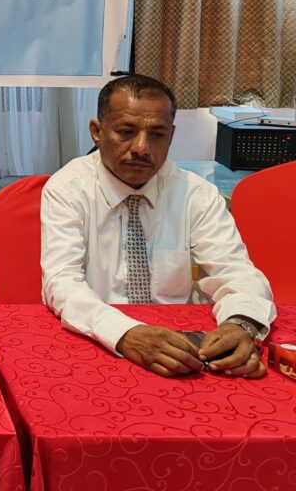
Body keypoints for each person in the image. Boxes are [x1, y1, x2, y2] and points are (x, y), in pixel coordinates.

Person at [41, 74, 276, 378]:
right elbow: (62, 282)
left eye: (157, 134)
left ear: (171, 135)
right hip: (100, 341)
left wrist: (239, 324)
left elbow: (236, 272)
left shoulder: (196, 193)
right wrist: (124, 332)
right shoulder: (68, 189)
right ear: (97, 132)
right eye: (126, 132)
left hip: (184, 348)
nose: (142, 147)